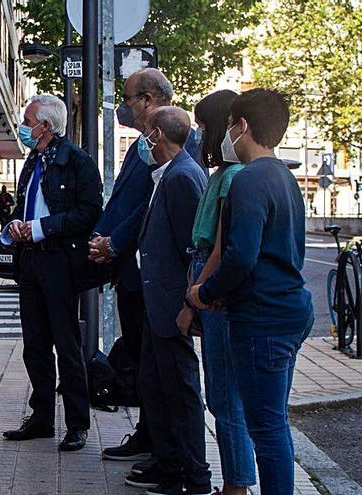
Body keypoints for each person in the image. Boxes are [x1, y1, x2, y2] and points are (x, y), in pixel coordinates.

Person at [188, 89, 314, 495]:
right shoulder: (284, 177)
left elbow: (240, 256)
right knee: (271, 419)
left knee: (266, 425)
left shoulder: (247, 180)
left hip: (263, 317)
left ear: (241, 126)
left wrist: (204, 293)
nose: (226, 136)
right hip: (289, 310)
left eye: (228, 127)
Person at [88, 68, 185, 465]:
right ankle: (148, 438)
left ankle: (165, 451)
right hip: (130, 273)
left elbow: (151, 209)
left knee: (161, 370)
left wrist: (115, 242)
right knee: (144, 366)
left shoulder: (176, 142)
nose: (124, 109)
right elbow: (122, 200)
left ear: (147, 100)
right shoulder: (141, 146)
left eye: (128, 100)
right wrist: (102, 239)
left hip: (154, 278)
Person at [1, 95, 103, 451]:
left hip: (59, 260)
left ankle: (77, 423)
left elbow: (90, 211)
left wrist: (42, 227)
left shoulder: (76, 161)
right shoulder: (32, 161)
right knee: (35, 344)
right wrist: (16, 224)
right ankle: (41, 416)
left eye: (28, 121)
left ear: (46, 125)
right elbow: (23, 205)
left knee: (66, 342)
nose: (24, 127)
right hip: (29, 260)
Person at [176, 90, 256, 495]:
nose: (203, 134)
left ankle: (237, 485)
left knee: (226, 398)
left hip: (212, 283)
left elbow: (222, 248)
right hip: (204, 276)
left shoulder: (235, 177)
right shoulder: (220, 174)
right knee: (222, 397)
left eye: (206, 126)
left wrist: (196, 296)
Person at [132, 107, 210, 495]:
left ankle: (193, 477)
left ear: (158, 135)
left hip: (170, 305)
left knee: (179, 392)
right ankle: (169, 466)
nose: (142, 139)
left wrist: (187, 306)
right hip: (156, 302)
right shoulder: (168, 174)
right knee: (156, 384)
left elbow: (192, 249)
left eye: (146, 131)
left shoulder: (182, 177)